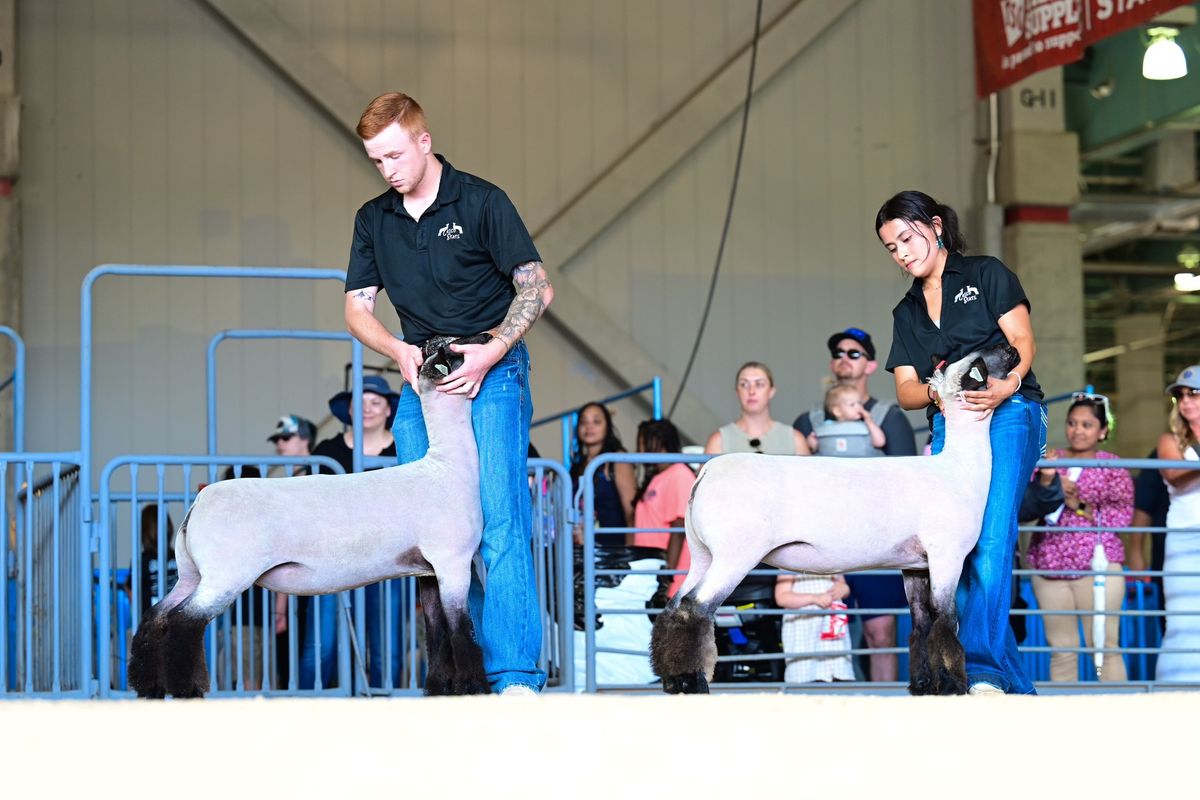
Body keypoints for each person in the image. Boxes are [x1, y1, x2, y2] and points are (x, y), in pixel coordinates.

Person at [343, 92, 553, 695]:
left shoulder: (484, 201)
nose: (388, 170)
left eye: (394, 155)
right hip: (422, 375)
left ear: (423, 140)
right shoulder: (373, 218)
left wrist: (492, 351)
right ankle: (458, 677)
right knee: (435, 536)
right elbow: (357, 309)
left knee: (501, 522)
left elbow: (537, 290)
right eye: (376, 161)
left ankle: (514, 676)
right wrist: (397, 351)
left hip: (490, 373)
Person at [877, 190, 1046, 695]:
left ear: (934, 226)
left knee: (991, 539)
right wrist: (939, 389)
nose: (902, 252)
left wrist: (1006, 386)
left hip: (1011, 409)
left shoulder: (986, 273)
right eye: (891, 247)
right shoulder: (905, 312)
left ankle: (980, 672)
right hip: (951, 423)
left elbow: (1023, 342)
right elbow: (906, 390)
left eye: (908, 237)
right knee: (960, 551)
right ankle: (1011, 685)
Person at [795, 328, 916, 683]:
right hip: (822, 545)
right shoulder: (809, 422)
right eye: (838, 353)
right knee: (821, 635)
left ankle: (887, 716)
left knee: (881, 634)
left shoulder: (889, 418)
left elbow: (907, 482)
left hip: (875, 544)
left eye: (854, 353)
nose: (844, 358)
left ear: (871, 365)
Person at [704, 361, 809, 682]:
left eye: (759, 383)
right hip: (735, 545)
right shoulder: (719, 441)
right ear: (737, 390)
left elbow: (809, 497)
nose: (752, 390)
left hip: (785, 545)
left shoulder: (793, 439)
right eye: (745, 383)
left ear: (771, 390)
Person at [1026, 393, 1131, 682]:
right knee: (1062, 650)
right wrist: (1049, 483)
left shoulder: (1113, 465)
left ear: (1102, 430)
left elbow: (1122, 519)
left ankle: (1117, 714)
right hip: (1049, 565)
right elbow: (1028, 506)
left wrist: (1079, 505)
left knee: (1106, 648)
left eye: (1087, 424)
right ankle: (1063, 722)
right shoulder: (1050, 459)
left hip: (1097, 566)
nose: (1078, 430)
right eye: (1072, 423)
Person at [311, 375, 400, 690]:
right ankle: (302, 709)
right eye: (359, 403)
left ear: (389, 410)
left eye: (375, 402)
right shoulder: (327, 449)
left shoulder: (404, 446)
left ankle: (389, 712)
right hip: (333, 556)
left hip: (390, 558)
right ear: (348, 410)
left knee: (387, 647)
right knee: (320, 645)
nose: (368, 409)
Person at [266, 413, 318, 686]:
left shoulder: (315, 476)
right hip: (295, 576)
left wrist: (280, 607)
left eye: (286, 438)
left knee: (313, 646)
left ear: (305, 440)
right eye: (278, 440)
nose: (280, 445)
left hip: (313, 573)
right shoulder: (289, 481)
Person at [1156, 365, 1200, 682]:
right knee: (1183, 618)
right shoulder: (1169, 440)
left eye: (1193, 393)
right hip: (1184, 537)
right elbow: (1174, 475)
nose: (1185, 401)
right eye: (1181, 395)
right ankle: (1176, 689)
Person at [632, 418, 694, 602]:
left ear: (659, 442)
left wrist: (666, 577)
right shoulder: (658, 476)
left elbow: (679, 529)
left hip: (672, 579)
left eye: (643, 443)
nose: (639, 450)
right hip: (652, 571)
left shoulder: (679, 474)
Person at [775, 571, 853, 683]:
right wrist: (813, 598)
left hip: (831, 625)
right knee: (806, 672)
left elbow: (843, 586)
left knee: (838, 675)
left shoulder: (831, 558)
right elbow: (782, 597)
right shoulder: (791, 560)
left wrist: (843, 589)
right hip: (805, 625)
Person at [807, 384, 886, 455]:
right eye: (852, 404)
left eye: (860, 403)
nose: (859, 407)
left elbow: (879, 443)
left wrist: (870, 422)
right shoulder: (826, 427)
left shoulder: (866, 426)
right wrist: (812, 443)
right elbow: (815, 446)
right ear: (838, 411)